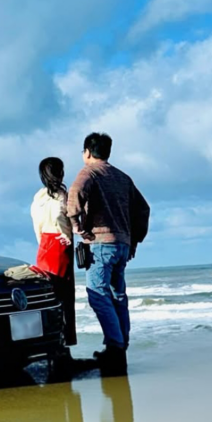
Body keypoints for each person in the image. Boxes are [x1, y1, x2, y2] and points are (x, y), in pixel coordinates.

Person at [67, 132, 150, 375]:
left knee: (98, 295)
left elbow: (73, 199)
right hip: (122, 244)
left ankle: (115, 347)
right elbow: (144, 209)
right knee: (118, 296)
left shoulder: (89, 172)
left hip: (101, 243)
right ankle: (119, 346)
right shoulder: (123, 177)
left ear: (87, 152)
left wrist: (78, 228)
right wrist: (134, 240)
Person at [31, 157, 77, 355]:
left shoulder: (38, 197)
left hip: (43, 246)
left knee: (48, 294)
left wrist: (43, 242)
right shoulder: (63, 196)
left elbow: (37, 227)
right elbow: (66, 222)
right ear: (60, 174)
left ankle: (49, 341)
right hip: (60, 245)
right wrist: (69, 236)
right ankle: (65, 340)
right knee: (65, 295)